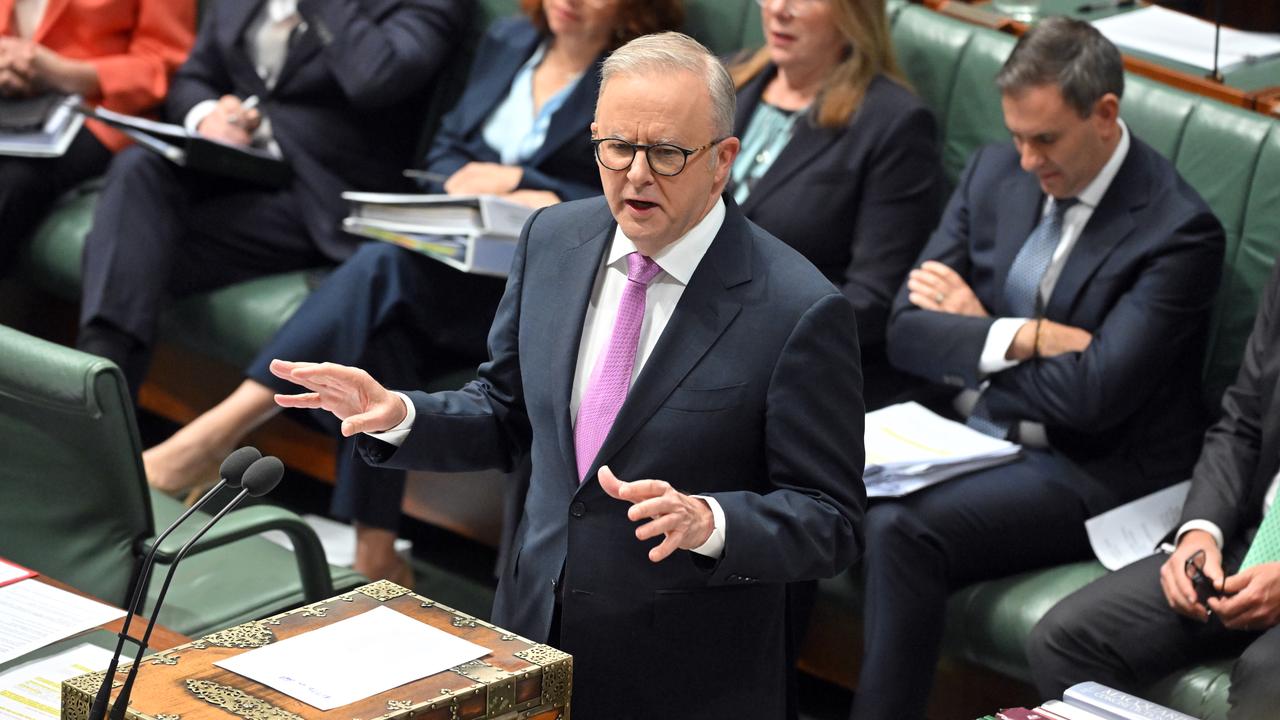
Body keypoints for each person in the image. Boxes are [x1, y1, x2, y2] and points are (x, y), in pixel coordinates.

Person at [270, 32, 866, 720]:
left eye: (667, 153)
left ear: (722, 161)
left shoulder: (798, 309)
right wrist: (403, 414)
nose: (637, 174)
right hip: (531, 637)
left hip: (684, 677)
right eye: (618, 147)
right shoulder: (553, 240)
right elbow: (505, 413)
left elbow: (832, 521)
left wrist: (711, 521)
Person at [139, 0, 684, 585]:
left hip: (532, 290)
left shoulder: (630, 79)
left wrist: (527, 185)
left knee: (382, 272)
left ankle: (217, 433)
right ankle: (376, 552)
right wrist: (463, 181)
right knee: (383, 324)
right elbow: (448, 144)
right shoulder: (508, 45)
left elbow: (632, 179)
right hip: (456, 262)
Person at [851, 18, 1225, 720]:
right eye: (1017, 135)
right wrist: (1024, 335)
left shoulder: (1177, 231)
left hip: (1088, 468)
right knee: (807, 466)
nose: (1026, 159)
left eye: (1045, 139)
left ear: (1105, 114)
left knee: (901, 529)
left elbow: (1092, 398)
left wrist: (969, 330)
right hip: (969, 435)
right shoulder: (996, 171)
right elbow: (904, 330)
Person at [75, 0, 467, 395]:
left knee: (127, 249)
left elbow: (375, 77)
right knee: (139, 167)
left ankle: (102, 402)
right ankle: (100, 381)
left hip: (322, 198)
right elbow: (196, 75)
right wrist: (206, 114)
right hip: (234, 164)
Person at [1027, 257, 1280, 719]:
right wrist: (1200, 533)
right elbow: (1242, 420)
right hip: (1258, 538)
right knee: (1068, 638)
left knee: (1268, 680)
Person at [730, 0, 942, 410]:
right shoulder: (724, 80)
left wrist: (747, 332)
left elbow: (871, 299)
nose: (778, 9)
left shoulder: (895, 123)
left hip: (791, 368)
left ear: (854, 13)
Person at [0, 0, 195, 272]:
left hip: (99, 109)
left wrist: (64, 73)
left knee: (14, 179)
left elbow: (164, 65)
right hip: (13, 100)